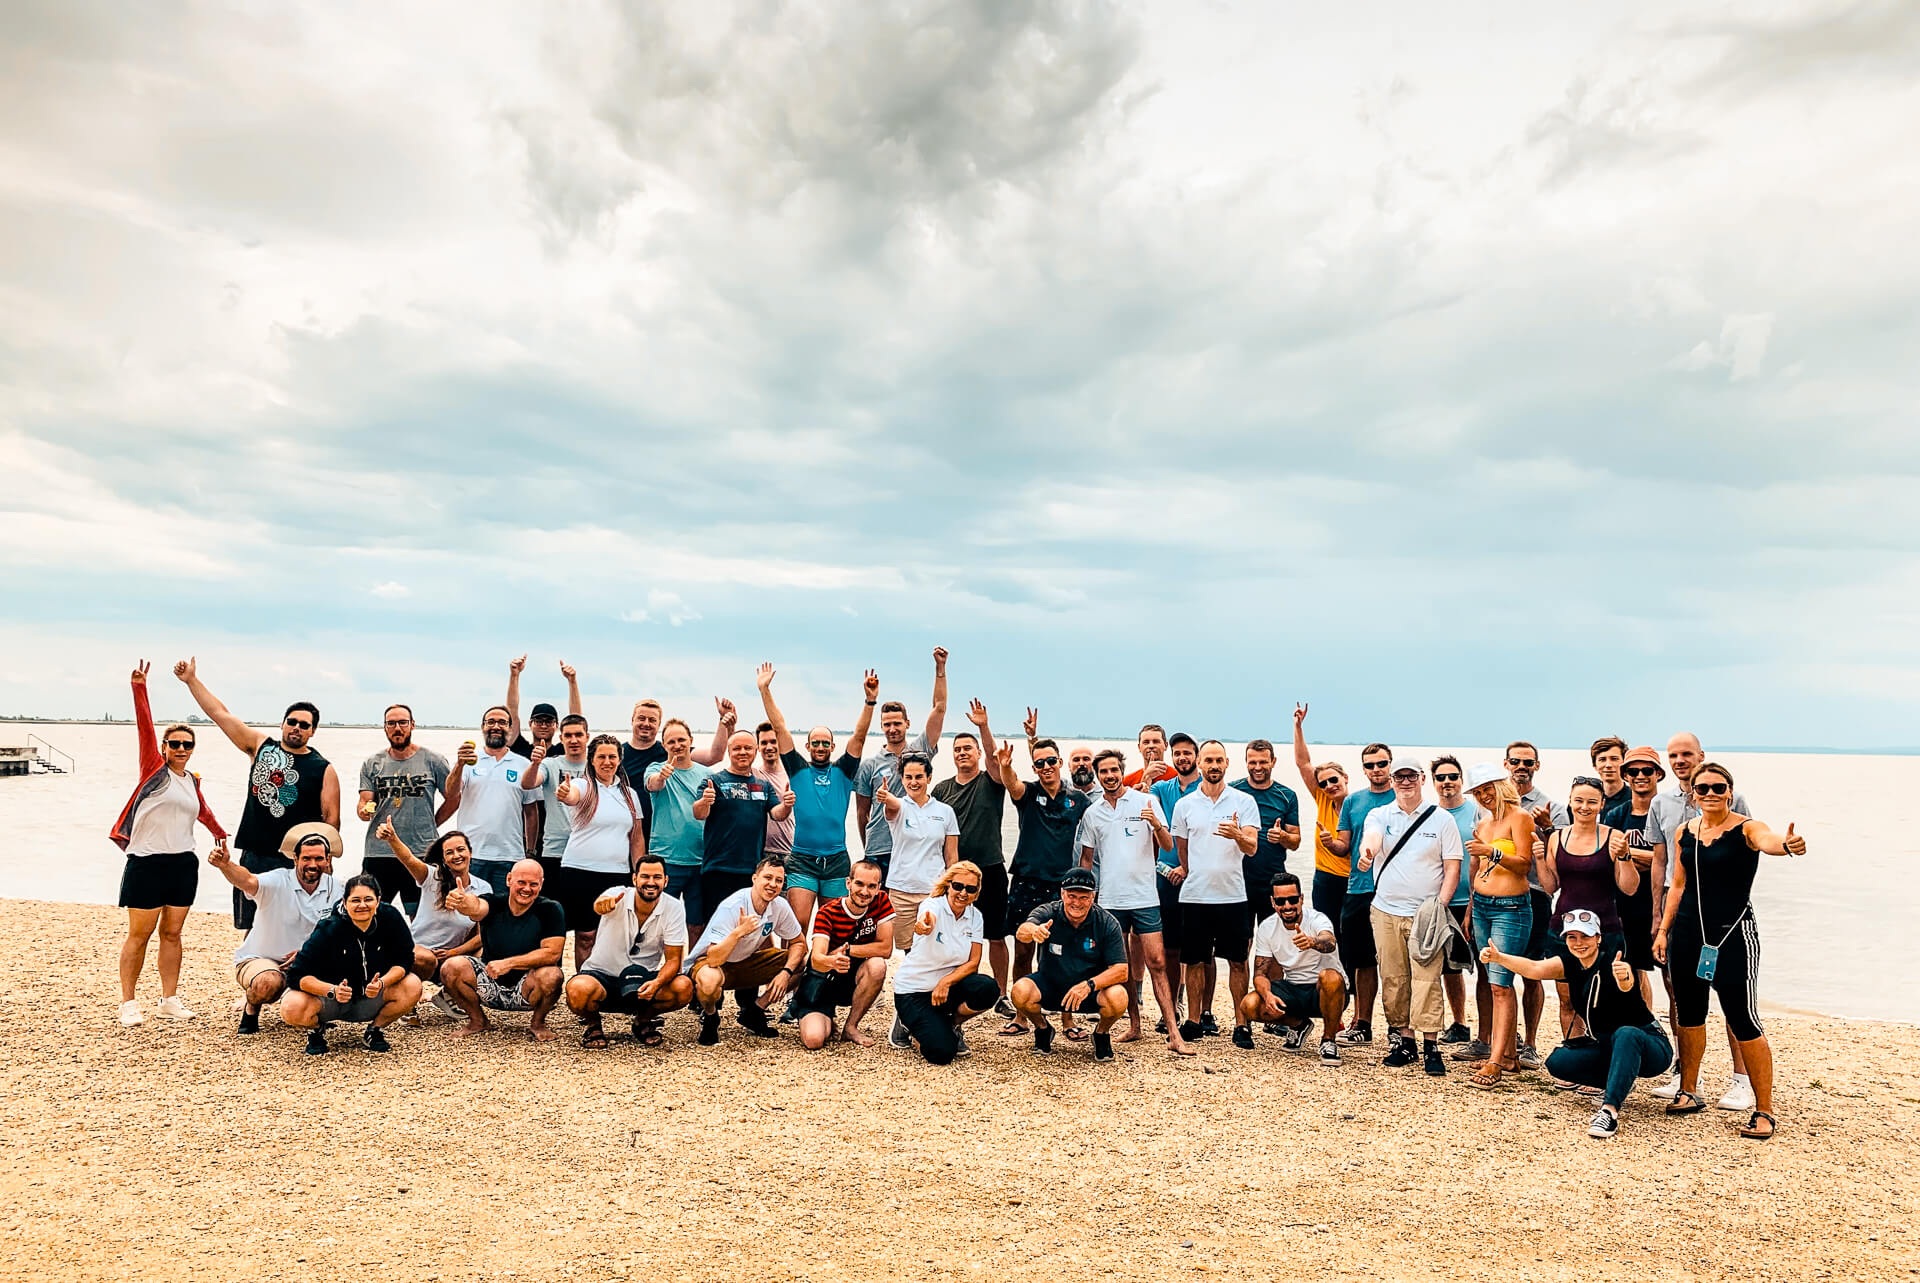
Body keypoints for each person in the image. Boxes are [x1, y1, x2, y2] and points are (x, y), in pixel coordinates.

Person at [1655, 762, 1803, 1140]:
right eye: (1702, 789)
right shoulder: (1683, 831)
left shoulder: (1747, 828)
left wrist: (1786, 846)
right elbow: (1677, 885)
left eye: (1717, 788)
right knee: (1689, 1013)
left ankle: (1764, 1110)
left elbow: (1769, 841)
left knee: (1743, 1018)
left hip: (1733, 936)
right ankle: (1689, 1090)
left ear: (1730, 791)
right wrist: (1663, 931)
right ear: (1692, 794)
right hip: (1686, 934)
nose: (1709, 794)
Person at [174, 658, 339, 931]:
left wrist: (326, 860)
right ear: (283, 724)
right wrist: (192, 680)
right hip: (255, 854)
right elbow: (221, 714)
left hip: (296, 858)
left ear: (313, 731)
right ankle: (252, 970)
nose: (296, 728)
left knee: (298, 923)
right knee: (253, 925)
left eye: (304, 725)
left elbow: (331, 820)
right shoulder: (260, 746)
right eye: (292, 722)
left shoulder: (323, 768)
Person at [1483, 908, 1673, 1140]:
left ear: (1598, 938)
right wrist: (1499, 958)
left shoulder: (1615, 962)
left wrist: (1625, 977)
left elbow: (1627, 985)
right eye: (1572, 937)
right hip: (1610, 1047)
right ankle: (1620, 1081)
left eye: (1585, 936)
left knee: (1626, 1033)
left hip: (1650, 1046)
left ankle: (1609, 1111)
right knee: (1558, 1062)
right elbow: (1534, 968)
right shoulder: (1568, 963)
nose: (1579, 943)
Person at [112, 660, 228, 1026]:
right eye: (175, 743)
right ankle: (128, 1003)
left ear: (193, 748)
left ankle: (169, 999)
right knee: (140, 934)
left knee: (173, 933)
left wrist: (220, 833)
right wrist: (139, 688)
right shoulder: (153, 770)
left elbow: (202, 812)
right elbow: (144, 728)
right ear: (163, 747)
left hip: (182, 863)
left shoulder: (191, 779)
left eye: (187, 744)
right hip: (146, 862)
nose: (181, 748)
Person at [1646, 732, 1755, 1109]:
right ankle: (1687, 1078)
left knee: (1733, 1003)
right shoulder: (1662, 804)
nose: (1679, 760)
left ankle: (1741, 1081)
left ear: (1701, 755)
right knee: (1683, 999)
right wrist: (1659, 917)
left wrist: (1786, 846)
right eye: (1673, 755)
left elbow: (1755, 842)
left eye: (1686, 754)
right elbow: (1663, 864)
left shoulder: (1730, 796)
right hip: (1682, 916)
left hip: (1725, 920)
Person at [1074, 748, 1191, 1055]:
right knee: (1121, 964)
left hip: (1144, 897)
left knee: (1157, 963)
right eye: (1104, 772)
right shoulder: (1093, 812)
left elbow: (1166, 844)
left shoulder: (1146, 802)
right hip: (1110, 900)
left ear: (1121, 771)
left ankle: (1174, 1034)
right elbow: (1087, 858)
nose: (1109, 776)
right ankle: (1135, 1025)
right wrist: (1085, 899)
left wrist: (1155, 823)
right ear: (1099, 776)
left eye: (1114, 770)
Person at [1357, 757, 1462, 1077]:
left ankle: (1432, 1045)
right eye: (1398, 777)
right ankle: (1406, 1041)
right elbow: (1372, 837)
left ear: (1421, 780)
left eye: (1411, 776)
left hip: (1426, 913)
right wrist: (1367, 852)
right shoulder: (1379, 814)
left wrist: (1440, 907)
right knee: (1393, 977)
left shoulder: (1442, 819)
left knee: (1427, 979)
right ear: (1391, 781)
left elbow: (1452, 867)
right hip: (1386, 911)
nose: (1405, 782)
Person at [757, 663, 877, 941]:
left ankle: (828, 980)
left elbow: (859, 736)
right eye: (816, 743)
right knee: (796, 928)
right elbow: (779, 726)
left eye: (826, 743)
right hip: (801, 860)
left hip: (836, 861)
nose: (821, 747)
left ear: (833, 747)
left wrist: (870, 700)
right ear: (807, 746)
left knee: (837, 930)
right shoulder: (798, 769)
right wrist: (765, 689)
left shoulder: (844, 771)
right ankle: (791, 980)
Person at [992, 735, 1092, 1037]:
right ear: (1034, 768)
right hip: (1026, 880)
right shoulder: (1029, 793)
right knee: (1023, 951)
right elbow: (1011, 783)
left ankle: (1067, 1019)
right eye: (1039, 763)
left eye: (1051, 761)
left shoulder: (1079, 800)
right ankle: (1022, 1015)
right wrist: (1005, 765)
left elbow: (1092, 838)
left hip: (1062, 885)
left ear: (1060, 762)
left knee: (1061, 954)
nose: (1046, 766)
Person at [208, 822, 342, 1035]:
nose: (312, 864)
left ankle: (317, 1014)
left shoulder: (337, 889)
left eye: (318, 858)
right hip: (262, 959)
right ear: (295, 858)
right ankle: (251, 1008)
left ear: (327, 860)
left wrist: (308, 954)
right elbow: (248, 880)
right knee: (268, 983)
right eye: (306, 858)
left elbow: (339, 934)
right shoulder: (278, 880)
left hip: (308, 961)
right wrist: (226, 865)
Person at [1169, 741, 1261, 1043]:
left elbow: (1252, 847)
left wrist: (1237, 834)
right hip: (1195, 897)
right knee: (1195, 961)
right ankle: (1194, 1021)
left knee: (1237, 961)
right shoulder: (1185, 805)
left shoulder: (1243, 801)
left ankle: (1240, 1023)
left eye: (1219, 760)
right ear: (1198, 764)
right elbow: (1181, 849)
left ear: (1227, 763)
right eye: (1208, 760)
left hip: (1233, 896)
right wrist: (1189, 870)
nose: (1214, 766)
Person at [280, 873, 423, 1055]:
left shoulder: (390, 919)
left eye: (368, 899)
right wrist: (332, 990)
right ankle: (315, 1030)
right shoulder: (329, 928)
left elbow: (404, 958)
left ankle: (374, 1031)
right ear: (345, 902)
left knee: (412, 984)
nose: (362, 905)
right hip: (331, 1000)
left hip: (371, 996)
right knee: (291, 1006)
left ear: (378, 901)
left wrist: (382, 983)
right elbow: (296, 975)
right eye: (355, 900)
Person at [565, 854, 695, 1048]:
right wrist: (601, 905)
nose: (650, 882)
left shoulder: (674, 907)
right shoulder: (618, 894)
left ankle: (642, 1020)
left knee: (684, 987)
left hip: (642, 981)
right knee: (577, 989)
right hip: (602, 976)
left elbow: (674, 960)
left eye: (657, 877)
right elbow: (601, 903)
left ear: (666, 881)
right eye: (645, 877)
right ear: (634, 879)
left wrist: (657, 983)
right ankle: (593, 1024)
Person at [1460, 765, 1537, 1085]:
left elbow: (1524, 865)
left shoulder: (1520, 817)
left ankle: (1494, 1060)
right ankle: (1507, 1056)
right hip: (1482, 907)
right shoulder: (1483, 822)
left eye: (1486, 789)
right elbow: (1475, 868)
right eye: (1477, 793)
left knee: (1500, 984)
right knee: (1492, 980)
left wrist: (1490, 851)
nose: (1483, 796)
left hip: (1511, 908)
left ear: (1500, 785)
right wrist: (1469, 908)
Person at [934, 703, 1011, 1008]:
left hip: (990, 869)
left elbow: (997, 764)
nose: (962, 753)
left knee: (995, 935)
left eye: (968, 748)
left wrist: (983, 726)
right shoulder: (941, 789)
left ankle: (1002, 993)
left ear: (979, 753)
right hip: (954, 874)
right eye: (957, 749)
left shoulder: (991, 782)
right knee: (955, 934)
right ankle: (959, 986)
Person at [684, 856, 806, 1045]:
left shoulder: (779, 905)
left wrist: (785, 972)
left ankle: (755, 1010)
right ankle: (710, 1017)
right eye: (767, 877)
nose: (773, 884)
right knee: (709, 981)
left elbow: (799, 943)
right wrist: (739, 932)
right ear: (754, 878)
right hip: (712, 963)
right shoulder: (733, 906)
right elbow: (713, 957)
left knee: (802, 963)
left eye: (779, 880)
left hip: (746, 961)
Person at [1010, 868, 1129, 1060]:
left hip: (1088, 992)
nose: (1077, 903)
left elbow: (1121, 971)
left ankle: (1101, 1034)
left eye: (1084, 897)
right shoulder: (1049, 912)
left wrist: (1089, 985)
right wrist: (1034, 931)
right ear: (1062, 894)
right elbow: (1022, 931)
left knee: (1119, 997)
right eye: (1072, 896)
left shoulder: (1107, 922)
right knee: (1019, 991)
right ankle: (1043, 1028)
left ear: (1093, 897)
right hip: (1050, 985)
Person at [440, 860, 566, 1041]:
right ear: (509, 880)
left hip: (527, 987)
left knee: (552, 975)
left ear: (541, 884)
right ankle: (477, 1021)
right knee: (451, 967)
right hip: (490, 980)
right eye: (521, 882)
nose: (526, 889)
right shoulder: (494, 902)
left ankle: (538, 1023)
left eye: (533, 884)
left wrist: (509, 963)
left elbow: (552, 952)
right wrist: (462, 901)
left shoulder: (550, 909)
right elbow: (475, 907)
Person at [553, 733, 648, 970]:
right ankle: (583, 984)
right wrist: (565, 793)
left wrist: (640, 873)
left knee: (614, 936)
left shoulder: (630, 795)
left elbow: (636, 838)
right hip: (579, 871)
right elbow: (570, 796)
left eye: (612, 757)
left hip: (617, 874)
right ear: (592, 760)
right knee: (586, 935)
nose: (607, 762)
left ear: (619, 760)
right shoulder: (581, 786)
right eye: (601, 757)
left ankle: (607, 985)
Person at [889, 862, 1000, 1065]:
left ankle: (952, 1023)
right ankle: (906, 1024)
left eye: (970, 889)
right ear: (948, 885)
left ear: (976, 892)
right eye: (958, 886)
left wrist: (946, 982)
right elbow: (924, 921)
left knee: (988, 988)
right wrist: (922, 926)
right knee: (942, 1053)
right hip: (915, 990)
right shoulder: (932, 906)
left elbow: (974, 962)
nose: (963, 893)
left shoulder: (975, 917)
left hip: (947, 989)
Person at [854, 647, 949, 882]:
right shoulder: (869, 765)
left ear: (907, 723)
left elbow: (939, 708)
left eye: (897, 723)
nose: (892, 729)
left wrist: (940, 669)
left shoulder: (920, 750)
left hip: (913, 846)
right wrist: (868, 849)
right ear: (881, 726)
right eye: (887, 724)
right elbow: (862, 811)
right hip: (879, 849)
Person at [1233, 872, 1346, 1064]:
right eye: (1281, 901)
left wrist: (1312, 941)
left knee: (1331, 977)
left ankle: (1328, 1040)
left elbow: (1330, 941)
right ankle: (1299, 1025)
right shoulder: (1267, 927)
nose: (1287, 906)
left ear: (1301, 899)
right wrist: (1268, 996)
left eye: (1292, 899)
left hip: (1324, 991)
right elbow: (1260, 973)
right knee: (1248, 1005)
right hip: (1293, 988)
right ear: (1272, 902)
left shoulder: (1317, 919)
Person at [1504, 739, 1569, 1069]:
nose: (1521, 767)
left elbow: (1563, 852)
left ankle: (1529, 1042)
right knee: (1499, 971)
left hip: (1535, 896)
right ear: (1506, 764)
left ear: (1537, 766)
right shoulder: (1494, 804)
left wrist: (1545, 828)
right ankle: (1497, 1039)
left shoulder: (1551, 807)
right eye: (1515, 761)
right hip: (1498, 896)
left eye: (1527, 762)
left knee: (1532, 971)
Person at [355, 703, 453, 913]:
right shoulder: (373, 763)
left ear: (412, 725)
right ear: (385, 727)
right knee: (372, 912)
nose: (397, 728)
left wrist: (432, 822)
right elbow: (364, 802)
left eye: (402, 723)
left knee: (421, 914)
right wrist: (364, 811)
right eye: (391, 723)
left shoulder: (433, 760)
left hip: (421, 851)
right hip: (379, 852)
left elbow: (454, 798)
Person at [369, 822, 490, 988]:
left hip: (453, 956)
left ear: (470, 852)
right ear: (444, 859)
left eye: (460, 849)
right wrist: (392, 839)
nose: (456, 856)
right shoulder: (432, 877)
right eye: (449, 852)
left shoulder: (483, 888)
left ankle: (455, 995)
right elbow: (408, 859)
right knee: (427, 959)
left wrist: (454, 952)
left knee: (486, 952)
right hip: (420, 951)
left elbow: (483, 934)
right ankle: (413, 992)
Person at [692, 732, 795, 924]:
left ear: (755, 751)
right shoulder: (714, 781)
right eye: (737, 748)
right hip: (718, 868)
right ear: (729, 751)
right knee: (716, 925)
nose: (742, 752)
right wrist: (705, 801)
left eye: (748, 748)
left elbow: (777, 814)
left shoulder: (763, 786)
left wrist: (787, 804)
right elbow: (699, 813)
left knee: (749, 927)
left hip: (752, 871)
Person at [1332, 740, 1397, 1046]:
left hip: (1396, 890)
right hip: (1358, 888)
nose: (1376, 770)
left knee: (1398, 962)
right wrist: (1329, 843)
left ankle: (1399, 1027)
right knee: (1361, 961)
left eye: (1381, 764)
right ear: (1363, 770)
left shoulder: (1403, 798)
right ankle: (1363, 1024)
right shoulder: (1353, 801)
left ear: (1391, 765)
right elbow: (1345, 846)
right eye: (1370, 766)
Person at [794, 860, 894, 1049]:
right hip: (824, 981)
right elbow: (816, 959)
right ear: (848, 883)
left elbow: (886, 948)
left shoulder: (881, 901)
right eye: (859, 884)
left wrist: (847, 950)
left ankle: (850, 1026)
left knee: (878, 965)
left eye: (871, 886)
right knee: (814, 1041)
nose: (865, 892)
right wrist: (831, 960)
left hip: (853, 977)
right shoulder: (827, 912)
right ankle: (821, 1016)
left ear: (879, 887)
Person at [444, 707, 541, 892]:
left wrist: (530, 851)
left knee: (503, 913)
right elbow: (451, 793)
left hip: (510, 856)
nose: (496, 726)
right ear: (483, 727)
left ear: (510, 729)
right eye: (491, 722)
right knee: (468, 914)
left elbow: (531, 812)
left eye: (502, 722)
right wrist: (459, 764)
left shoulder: (523, 764)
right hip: (472, 855)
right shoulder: (469, 760)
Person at [618, 696, 735, 840]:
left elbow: (714, 756)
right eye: (641, 718)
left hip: (660, 834)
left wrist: (723, 720)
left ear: (659, 724)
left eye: (652, 720)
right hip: (625, 830)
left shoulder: (671, 750)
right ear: (632, 720)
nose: (646, 724)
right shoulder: (617, 755)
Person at [1147, 732, 1203, 1030]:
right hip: (1166, 877)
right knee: (1170, 948)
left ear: (1196, 756)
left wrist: (1188, 867)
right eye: (1178, 753)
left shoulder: (1206, 787)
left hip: (1199, 877)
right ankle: (1172, 1005)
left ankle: (1203, 1012)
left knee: (1200, 948)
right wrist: (1145, 776)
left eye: (1188, 753)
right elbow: (1145, 808)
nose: (1182, 758)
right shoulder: (1162, 788)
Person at [873, 752, 959, 938]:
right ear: (902, 779)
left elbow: (951, 857)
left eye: (919, 777)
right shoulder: (898, 806)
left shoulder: (946, 811)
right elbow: (893, 804)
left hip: (933, 891)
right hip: (901, 890)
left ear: (929, 777)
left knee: (934, 942)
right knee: (906, 947)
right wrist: (885, 797)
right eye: (908, 777)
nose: (914, 782)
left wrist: (952, 888)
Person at [1291, 704, 1350, 959]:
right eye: (1324, 782)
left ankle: (1355, 989)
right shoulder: (1323, 799)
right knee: (1327, 935)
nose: (1329, 785)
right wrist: (1298, 727)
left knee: (1351, 938)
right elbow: (1303, 763)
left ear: (1345, 777)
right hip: (1325, 880)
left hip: (1353, 883)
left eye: (1333, 780)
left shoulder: (1359, 806)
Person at [644, 719, 716, 928]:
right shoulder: (655, 768)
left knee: (697, 924)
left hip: (700, 860)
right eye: (671, 741)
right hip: (666, 859)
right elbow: (653, 783)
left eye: (681, 740)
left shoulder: (706, 774)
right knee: (660, 923)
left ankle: (692, 962)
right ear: (664, 745)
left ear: (691, 741)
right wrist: (662, 776)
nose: (677, 745)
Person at [1430, 754, 1480, 1046]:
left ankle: (1496, 1027)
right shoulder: (1431, 816)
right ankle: (1459, 1022)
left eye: (1452, 777)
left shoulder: (1476, 813)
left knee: (1486, 967)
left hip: (1477, 900)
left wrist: (1475, 901)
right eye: (1441, 777)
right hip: (1445, 901)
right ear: (1433, 782)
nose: (1447, 782)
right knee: (1449, 966)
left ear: (1461, 780)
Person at [1229, 739, 1302, 934]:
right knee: (1240, 945)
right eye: (1252, 762)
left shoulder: (1287, 795)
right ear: (1246, 762)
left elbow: (1295, 842)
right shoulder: (1232, 791)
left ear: (1273, 761)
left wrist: (1282, 836)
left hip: (1272, 881)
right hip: (1237, 880)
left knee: (1273, 942)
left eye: (1263, 762)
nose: (1257, 767)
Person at [1608, 746, 1665, 992]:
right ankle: (1644, 1027)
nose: (1640, 776)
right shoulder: (1615, 815)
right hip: (1625, 905)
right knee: (1631, 973)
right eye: (1633, 771)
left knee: (1674, 980)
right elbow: (1609, 857)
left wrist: (1628, 854)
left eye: (1647, 770)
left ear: (1658, 774)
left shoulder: (1668, 812)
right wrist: (1655, 857)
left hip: (1662, 903)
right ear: (1625, 776)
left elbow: (1675, 860)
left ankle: (1676, 1032)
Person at [532, 714, 594, 884]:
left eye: (578, 735)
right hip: (555, 849)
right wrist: (535, 763)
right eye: (568, 735)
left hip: (588, 849)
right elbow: (529, 783)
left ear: (587, 737)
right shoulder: (550, 764)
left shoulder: (597, 766)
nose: (573, 740)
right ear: (561, 738)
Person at [1590, 735, 1630, 822]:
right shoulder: (1585, 800)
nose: (1608, 765)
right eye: (1602, 759)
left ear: (1625, 763)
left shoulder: (1634, 800)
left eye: (1614, 759)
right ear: (1595, 766)